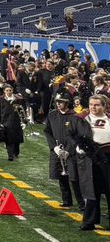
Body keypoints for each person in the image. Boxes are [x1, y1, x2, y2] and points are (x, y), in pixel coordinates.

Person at [46, 95, 81, 208]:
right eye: (57, 102)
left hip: (71, 152)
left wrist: (68, 150)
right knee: (62, 177)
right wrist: (54, 147)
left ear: (67, 103)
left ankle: (81, 203)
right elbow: (47, 132)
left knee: (74, 178)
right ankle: (67, 201)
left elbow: (77, 135)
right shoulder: (52, 115)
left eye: (61, 102)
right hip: (57, 151)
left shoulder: (74, 116)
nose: (58, 104)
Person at [82, 94, 110, 230]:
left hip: (108, 156)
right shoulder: (82, 119)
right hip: (90, 158)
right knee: (92, 190)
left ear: (104, 106)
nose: (93, 107)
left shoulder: (109, 118)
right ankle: (89, 221)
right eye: (91, 104)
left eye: (97, 104)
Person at [0, 84, 24, 162]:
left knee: (17, 139)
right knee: (8, 138)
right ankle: (10, 155)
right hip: (5, 121)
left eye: (10, 90)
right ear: (4, 91)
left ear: (12, 90)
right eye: (7, 90)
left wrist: (23, 120)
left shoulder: (18, 99)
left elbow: (22, 110)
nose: (8, 92)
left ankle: (16, 153)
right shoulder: (0, 99)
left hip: (16, 121)